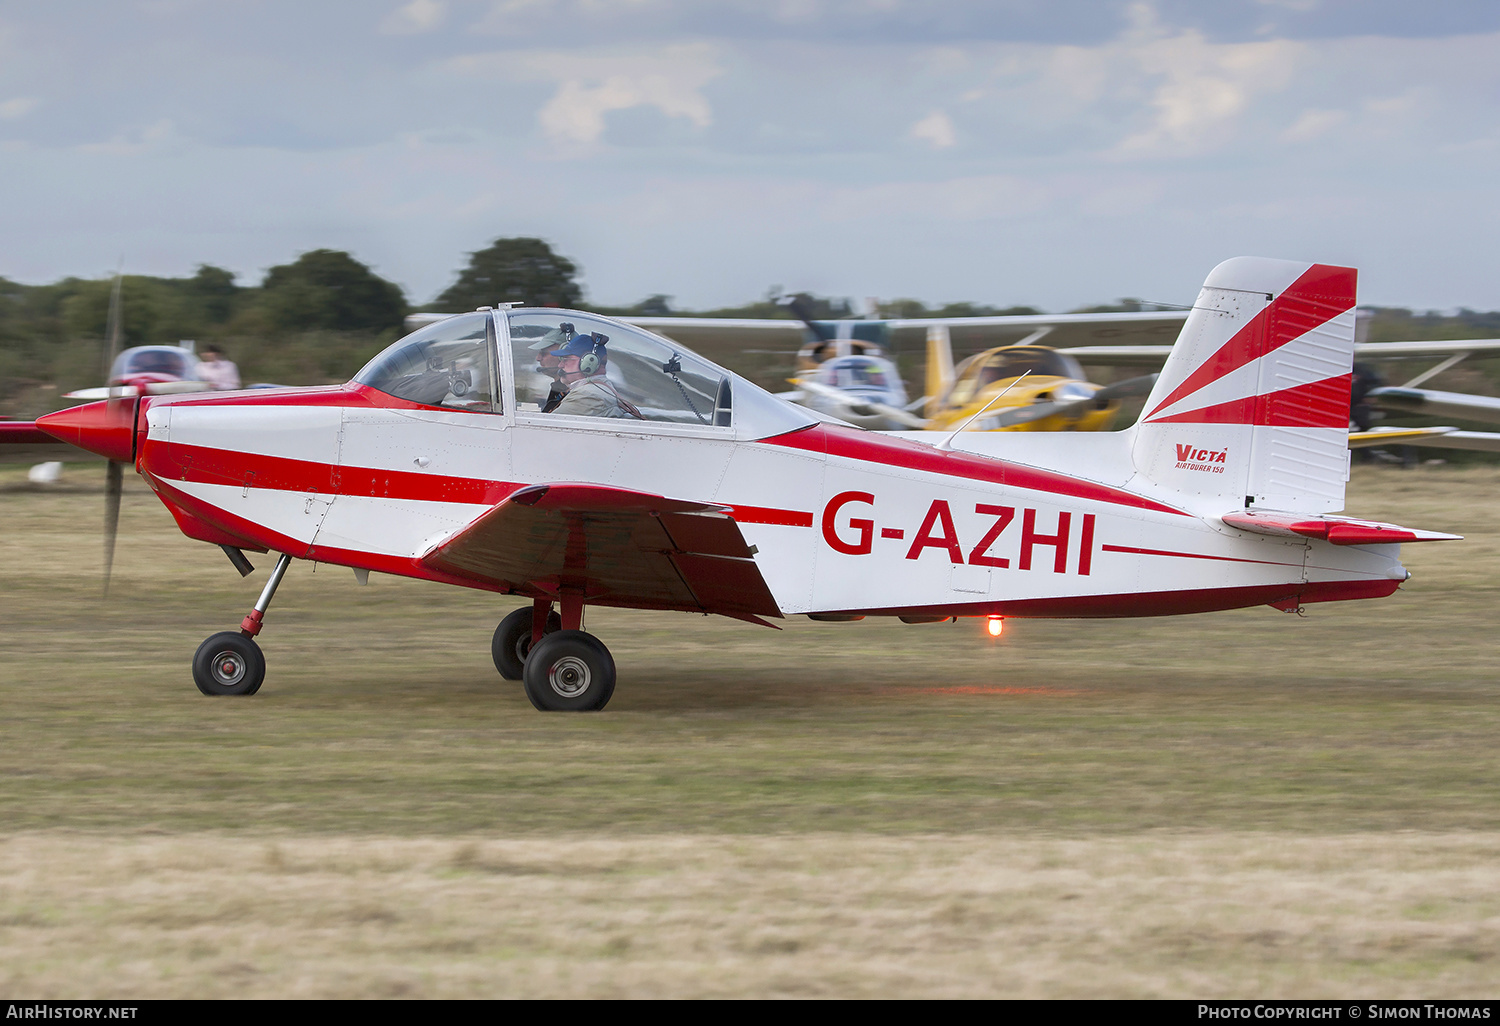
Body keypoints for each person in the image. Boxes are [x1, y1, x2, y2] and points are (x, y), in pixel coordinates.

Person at [548, 332, 643, 419]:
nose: (560, 365)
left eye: (566, 359)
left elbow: (547, 428)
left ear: (589, 362)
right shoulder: (599, 389)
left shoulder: (587, 395)